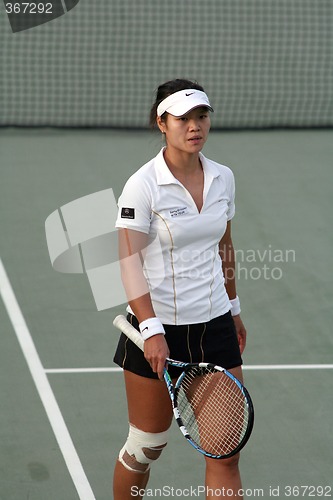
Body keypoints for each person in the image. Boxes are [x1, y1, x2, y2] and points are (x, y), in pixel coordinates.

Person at [113, 79, 247, 500]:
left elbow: (223, 245)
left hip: (214, 326)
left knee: (225, 454)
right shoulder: (143, 185)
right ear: (162, 123)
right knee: (145, 447)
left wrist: (235, 307)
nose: (195, 126)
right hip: (160, 330)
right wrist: (150, 329)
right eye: (183, 118)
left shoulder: (223, 177)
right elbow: (128, 260)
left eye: (202, 116)